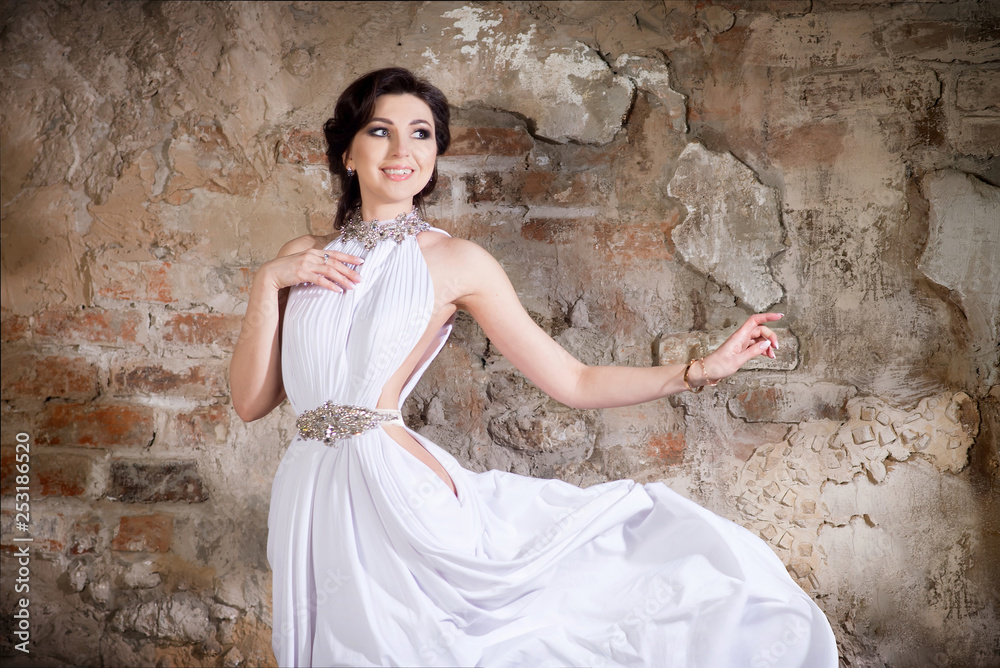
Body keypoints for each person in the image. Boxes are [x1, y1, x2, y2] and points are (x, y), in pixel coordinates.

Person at [230, 67, 838, 667]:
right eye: (380, 131)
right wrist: (267, 283)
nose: (402, 149)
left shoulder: (456, 261)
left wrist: (699, 370)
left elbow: (573, 381)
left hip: (398, 492)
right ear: (347, 153)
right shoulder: (298, 258)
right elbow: (251, 403)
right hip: (310, 491)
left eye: (421, 134)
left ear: (436, 154)